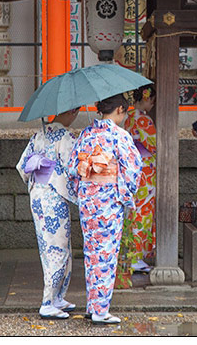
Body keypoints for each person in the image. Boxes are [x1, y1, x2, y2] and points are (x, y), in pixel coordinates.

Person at [66, 93, 143, 325]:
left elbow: (73, 167)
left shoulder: (87, 134)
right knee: (106, 255)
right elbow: (133, 168)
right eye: (126, 111)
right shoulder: (119, 136)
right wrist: (125, 195)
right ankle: (100, 310)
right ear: (120, 109)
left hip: (88, 201)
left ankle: (94, 305)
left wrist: (82, 190)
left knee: (91, 253)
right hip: (109, 201)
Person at [15, 107, 80, 320]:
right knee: (58, 249)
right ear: (71, 112)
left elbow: (22, 167)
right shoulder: (66, 135)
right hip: (54, 197)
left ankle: (58, 297)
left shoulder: (38, 135)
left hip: (38, 196)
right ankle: (47, 301)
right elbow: (73, 167)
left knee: (51, 246)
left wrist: (41, 165)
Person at [120, 84, 156, 276]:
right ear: (147, 98)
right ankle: (137, 257)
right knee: (144, 214)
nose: (152, 104)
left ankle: (132, 255)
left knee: (134, 213)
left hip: (133, 171)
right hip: (147, 173)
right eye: (152, 100)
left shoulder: (128, 119)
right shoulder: (145, 121)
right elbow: (155, 145)